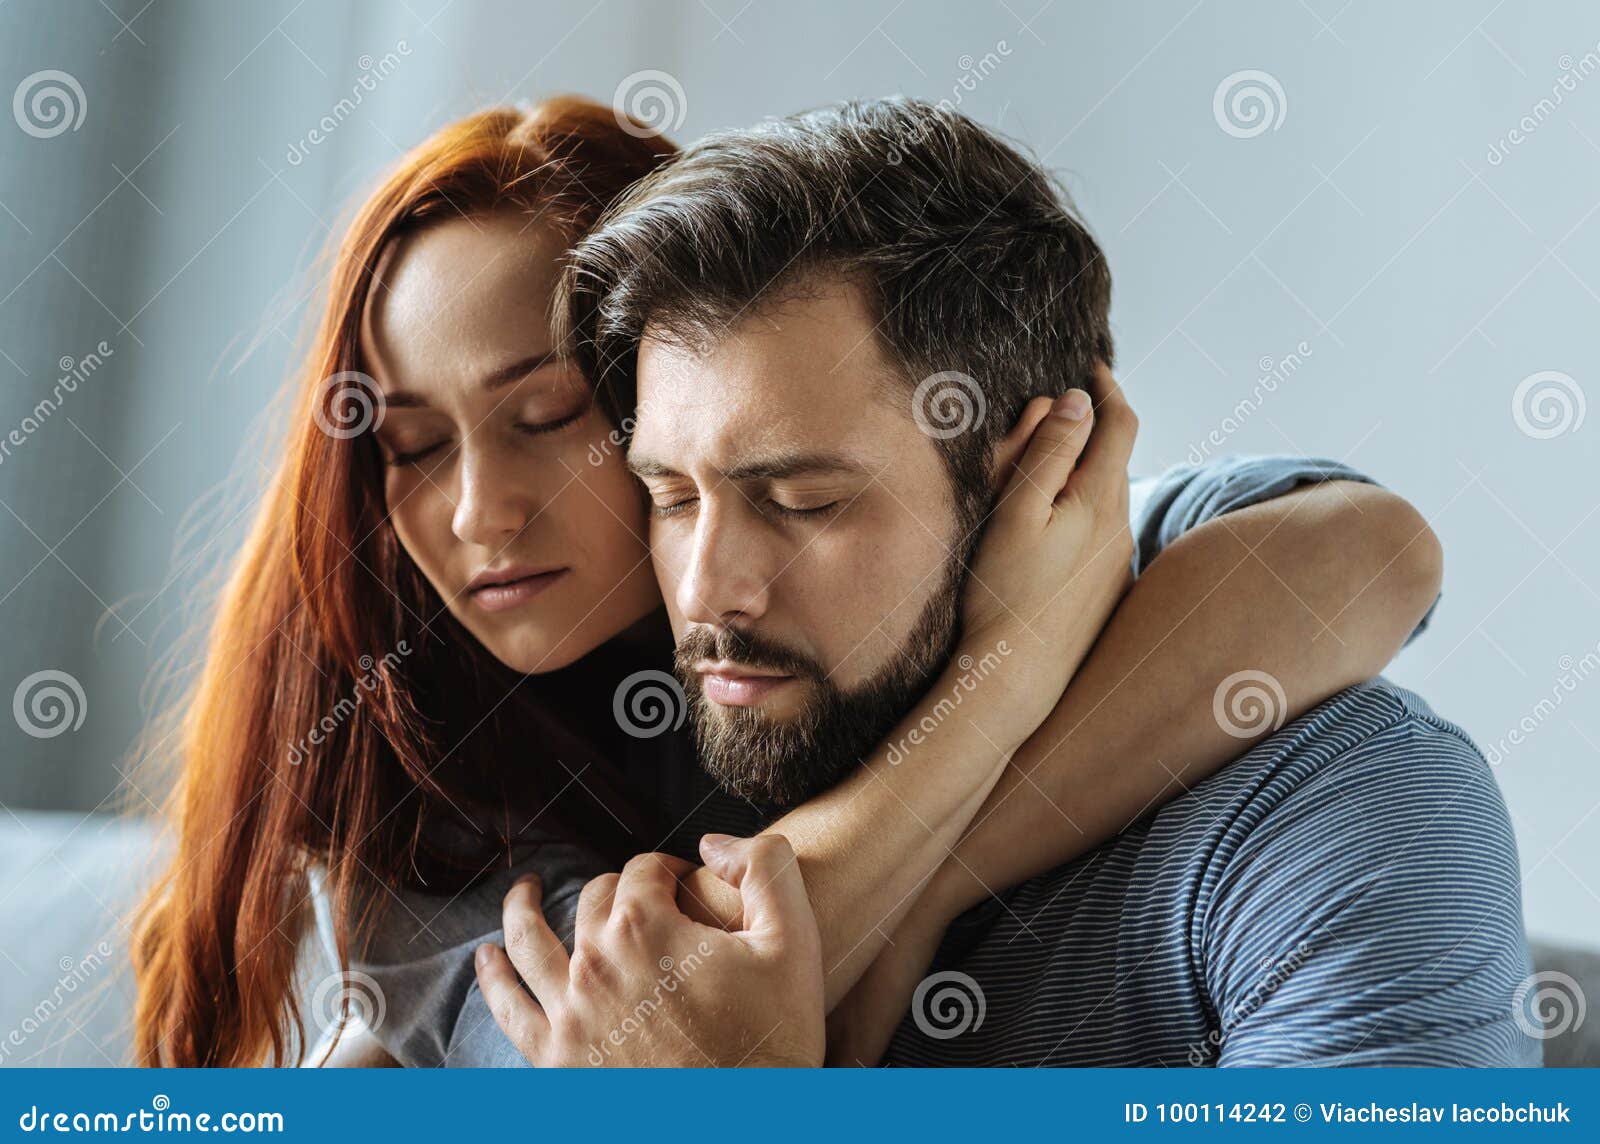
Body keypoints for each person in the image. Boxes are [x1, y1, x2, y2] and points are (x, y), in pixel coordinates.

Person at [130, 97, 1441, 1069]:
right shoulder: (413, 791)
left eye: (545, 415)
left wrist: (931, 875)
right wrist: (1009, 676)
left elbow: (1367, 550)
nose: (476, 509)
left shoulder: (1007, 548)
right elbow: (657, 1004)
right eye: (411, 444)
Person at [469, 98, 1535, 1067]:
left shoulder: (1334, 814)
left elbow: (1370, 548)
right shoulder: (587, 756)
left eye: (802, 503)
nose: (706, 593)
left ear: (1039, 478)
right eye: (672, 497)